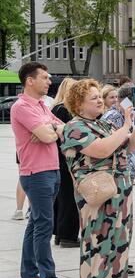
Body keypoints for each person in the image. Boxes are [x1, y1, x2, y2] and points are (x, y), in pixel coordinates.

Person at [62, 79, 135, 278]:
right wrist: (127, 124)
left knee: (119, 245)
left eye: (100, 96)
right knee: (98, 247)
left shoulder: (105, 124)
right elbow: (100, 150)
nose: (100, 100)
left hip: (120, 190)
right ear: (78, 105)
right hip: (97, 193)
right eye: (94, 98)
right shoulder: (74, 127)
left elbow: (129, 147)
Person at [12, 62, 75, 278]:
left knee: (35, 225)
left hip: (51, 170)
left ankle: (29, 277)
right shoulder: (22, 107)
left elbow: (63, 128)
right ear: (30, 80)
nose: (49, 81)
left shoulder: (41, 105)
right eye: (45, 78)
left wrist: (50, 131)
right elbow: (51, 133)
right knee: (43, 228)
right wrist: (50, 131)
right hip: (37, 174)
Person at [50, 77, 80, 248]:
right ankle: (68, 235)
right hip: (66, 158)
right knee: (69, 198)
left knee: (61, 197)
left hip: (58, 158)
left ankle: (60, 233)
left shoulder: (55, 108)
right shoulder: (65, 110)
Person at [103, 85, 135, 182]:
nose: (133, 107)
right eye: (132, 104)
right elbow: (118, 143)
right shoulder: (114, 116)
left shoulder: (124, 115)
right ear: (125, 102)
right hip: (117, 174)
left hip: (125, 173)